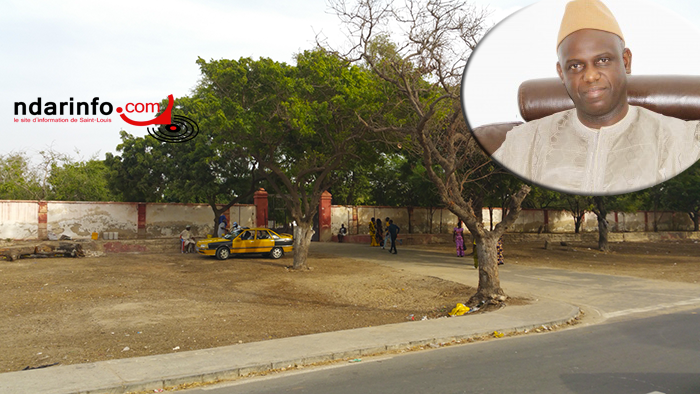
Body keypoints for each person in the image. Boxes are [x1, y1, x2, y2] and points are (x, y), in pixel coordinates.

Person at [491, 0, 700, 195]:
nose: (590, 76)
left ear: (625, 61)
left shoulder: (684, 141)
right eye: (575, 66)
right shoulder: (523, 143)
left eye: (602, 60)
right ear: (561, 73)